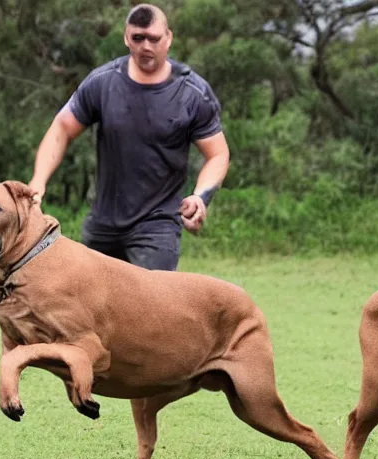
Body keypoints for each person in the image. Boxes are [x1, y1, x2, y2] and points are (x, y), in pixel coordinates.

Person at [28, 3, 229, 271]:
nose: (146, 46)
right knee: (89, 309)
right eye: (138, 38)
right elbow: (62, 128)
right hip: (103, 224)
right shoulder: (103, 83)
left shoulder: (192, 92)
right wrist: (38, 183)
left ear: (168, 38)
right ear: (126, 38)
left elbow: (217, 154)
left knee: (149, 307)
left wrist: (200, 197)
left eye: (154, 38)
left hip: (157, 226)